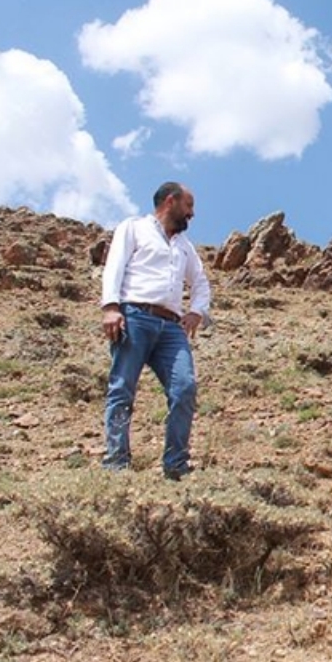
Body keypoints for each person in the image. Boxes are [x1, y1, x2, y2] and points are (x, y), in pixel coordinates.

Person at [99, 181, 211, 480]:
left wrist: (196, 312)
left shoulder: (185, 247)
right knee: (122, 388)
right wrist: (111, 307)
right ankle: (116, 463)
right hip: (134, 316)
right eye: (188, 206)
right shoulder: (133, 228)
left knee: (184, 387)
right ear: (170, 201)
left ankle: (176, 465)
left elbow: (200, 283)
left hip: (171, 327)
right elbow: (114, 266)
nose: (192, 213)